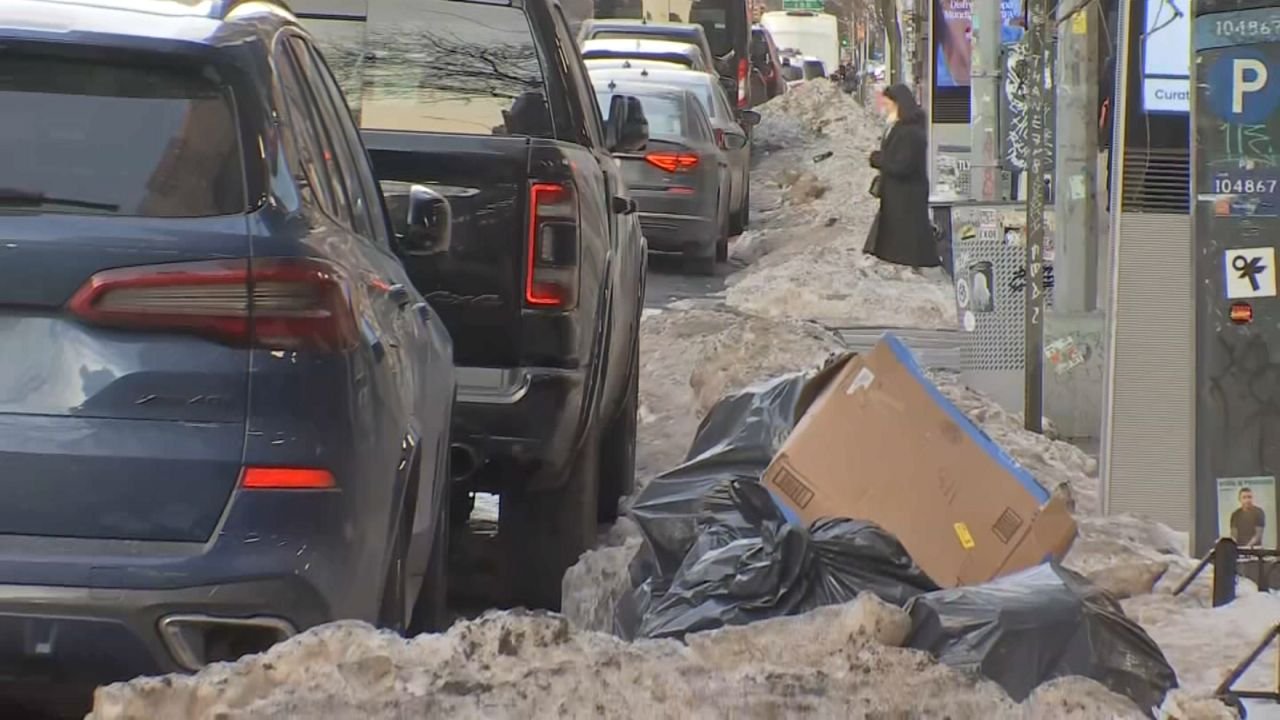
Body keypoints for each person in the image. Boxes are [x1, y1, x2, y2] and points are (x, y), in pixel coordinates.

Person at [864, 84, 939, 269]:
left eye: (888, 104)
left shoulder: (911, 132)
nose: (885, 108)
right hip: (899, 194)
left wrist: (877, 159)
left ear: (898, 104)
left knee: (907, 237)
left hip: (907, 195)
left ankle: (912, 266)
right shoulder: (902, 127)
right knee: (898, 236)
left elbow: (903, 165)